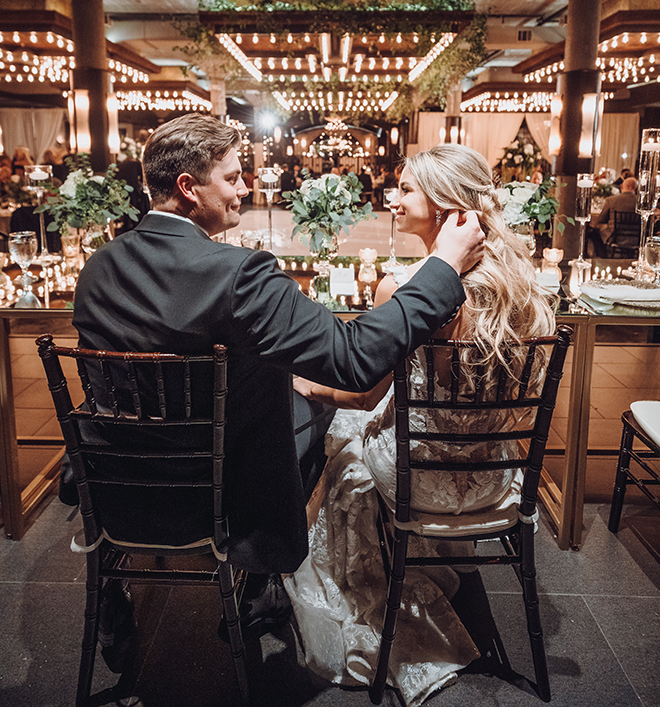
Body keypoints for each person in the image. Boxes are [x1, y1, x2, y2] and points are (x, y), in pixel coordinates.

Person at [71, 116, 484, 635]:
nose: (247, 187)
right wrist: (443, 266)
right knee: (323, 410)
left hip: (116, 480)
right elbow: (354, 358)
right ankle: (265, 572)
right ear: (187, 188)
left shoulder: (98, 268)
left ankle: (118, 580)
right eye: (234, 176)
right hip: (217, 490)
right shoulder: (238, 273)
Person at [286, 144, 555, 705]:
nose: (394, 197)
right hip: (496, 477)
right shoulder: (524, 289)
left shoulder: (405, 288)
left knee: (340, 439)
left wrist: (300, 382)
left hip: (418, 480)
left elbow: (361, 397)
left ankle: (369, 575)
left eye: (406, 189)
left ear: (445, 205)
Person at [597, 175, 638, 245]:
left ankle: (605, 254)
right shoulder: (640, 202)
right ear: (636, 188)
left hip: (614, 236)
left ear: (623, 186)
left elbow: (601, 219)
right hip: (636, 238)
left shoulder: (611, 200)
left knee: (594, 232)